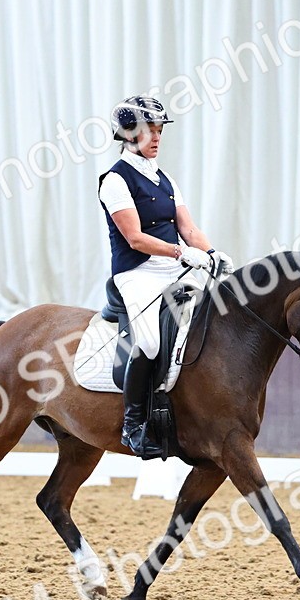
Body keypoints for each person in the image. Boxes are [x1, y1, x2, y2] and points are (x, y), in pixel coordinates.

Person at [98, 95, 234, 457]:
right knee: (151, 344)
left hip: (175, 268)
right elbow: (135, 238)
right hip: (138, 273)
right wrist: (180, 252)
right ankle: (134, 425)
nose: (157, 137)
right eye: (149, 130)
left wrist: (209, 253)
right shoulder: (115, 180)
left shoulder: (165, 178)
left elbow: (188, 228)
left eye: (159, 130)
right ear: (129, 134)